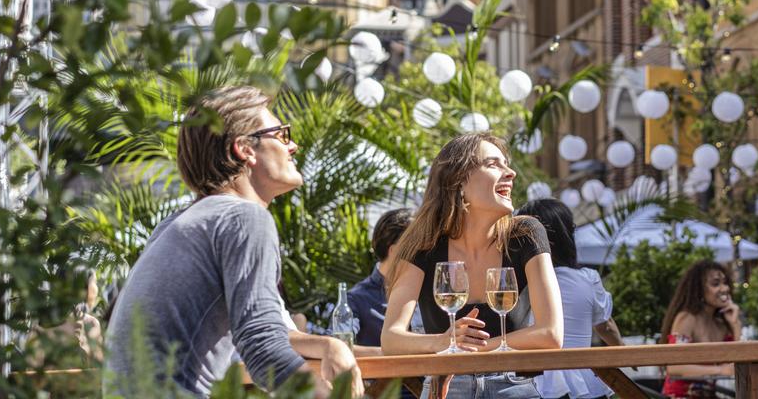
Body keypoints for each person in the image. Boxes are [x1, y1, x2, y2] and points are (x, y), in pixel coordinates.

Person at [103, 86, 360, 398]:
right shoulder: (244, 218)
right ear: (245, 149)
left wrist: (326, 344)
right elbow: (262, 344)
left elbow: (260, 329)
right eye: (281, 134)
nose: (294, 145)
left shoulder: (182, 223)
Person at [381, 133, 563, 399]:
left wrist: (475, 349)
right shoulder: (425, 244)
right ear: (458, 182)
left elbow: (551, 335)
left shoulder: (526, 234)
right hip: (446, 386)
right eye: (493, 164)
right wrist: (443, 342)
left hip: (512, 385)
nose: (510, 172)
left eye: (506, 163)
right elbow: (391, 339)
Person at [516, 198, 624, 399]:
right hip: (581, 377)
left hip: (531, 378)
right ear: (568, 234)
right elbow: (605, 326)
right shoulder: (587, 278)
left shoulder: (517, 281)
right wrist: (624, 352)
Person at [659, 260, 741, 399]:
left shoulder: (721, 325)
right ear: (699, 289)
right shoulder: (686, 319)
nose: (724, 288)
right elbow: (674, 368)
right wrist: (720, 370)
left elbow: (739, 361)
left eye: (725, 283)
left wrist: (735, 324)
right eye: (716, 284)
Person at [347, 208, 414, 347]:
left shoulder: (430, 291)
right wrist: (390, 354)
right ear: (395, 251)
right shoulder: (356, 299)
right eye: (416, 244)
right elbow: (339, 346)